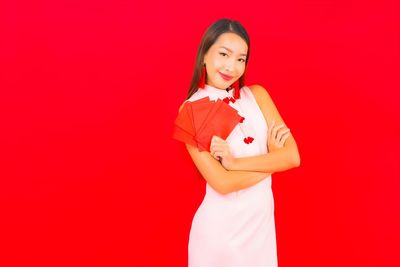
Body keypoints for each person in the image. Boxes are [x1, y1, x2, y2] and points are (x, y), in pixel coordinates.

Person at [177, 18, 300, 267]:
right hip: (220, 236)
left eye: (241, 59)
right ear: (204, 55)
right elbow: (223, 183)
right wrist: (272, 159)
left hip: (261, 232)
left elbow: (293, 157)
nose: (231, 66)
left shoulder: (257, 95)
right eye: (224, 54)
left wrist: (234, 163)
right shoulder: (191, 110)